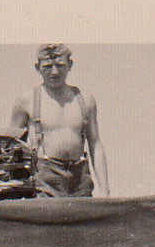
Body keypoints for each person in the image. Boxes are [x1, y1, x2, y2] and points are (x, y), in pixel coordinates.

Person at [9, 44, 111, 198]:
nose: (54, 72)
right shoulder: (27, 99)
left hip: (80, 180)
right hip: (45, 181)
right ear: (37, 68)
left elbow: (95, 144)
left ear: (70, 65)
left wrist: (105, 190)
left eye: (60, 65)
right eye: (48, 66)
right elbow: (12, 145)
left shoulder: (85, 99)